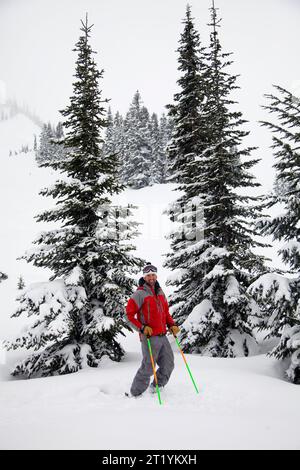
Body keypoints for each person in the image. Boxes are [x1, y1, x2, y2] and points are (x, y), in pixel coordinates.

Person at [125, 262, 180, 397]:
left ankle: (157, 386)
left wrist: (171, 324)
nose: (151, 277)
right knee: (148, 367)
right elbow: (128, 316)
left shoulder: (160, 292)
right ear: (144, 277)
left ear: (156, 276)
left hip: (162, 335)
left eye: (153, 275)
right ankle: (135, 392)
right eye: (148, 275)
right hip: (149, 336)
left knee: (168, 364)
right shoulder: (139, 294)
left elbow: (165, 313)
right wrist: (142, 328)